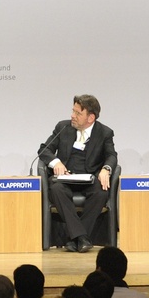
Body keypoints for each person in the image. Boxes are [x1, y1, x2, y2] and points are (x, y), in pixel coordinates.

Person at [38, 94, 117, 253]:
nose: (72, 116)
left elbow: (111, 155)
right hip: (65, 178)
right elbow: (44, 150)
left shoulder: (104, 132)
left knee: (101, 192)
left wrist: (106, 169)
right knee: (56, 189)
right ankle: (82, 238)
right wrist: (56, 162)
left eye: (78, 113)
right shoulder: (63, 127)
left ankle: (75, 238)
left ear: (91, 118)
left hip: (90, 178)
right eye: (73, 111)